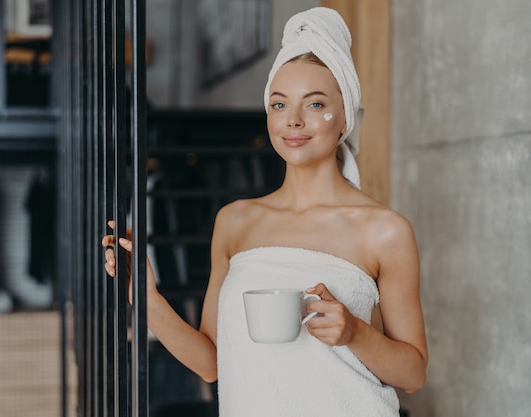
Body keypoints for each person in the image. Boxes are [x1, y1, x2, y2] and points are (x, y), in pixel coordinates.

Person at [103, 7, 427, 416]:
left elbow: (413, 373)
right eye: (279, 104)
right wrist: (144, 296)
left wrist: (355, 332)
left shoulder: (385, 231)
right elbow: (210, 363)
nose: (293, 120)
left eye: (315, 104)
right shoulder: (236, 222)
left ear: (345, 116)